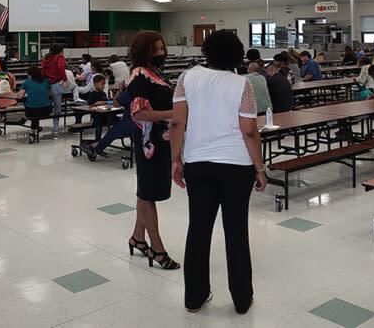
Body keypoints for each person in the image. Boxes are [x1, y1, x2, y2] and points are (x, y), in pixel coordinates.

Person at [169, 29, 266, 314]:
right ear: (237, 55)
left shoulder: (187, 78)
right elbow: (249, 131)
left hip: (198, 165)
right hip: (237, 167)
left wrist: (175, 160)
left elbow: (177, 124)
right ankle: (241, 299)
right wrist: (259, 168)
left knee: (198, 230)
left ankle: (194, 297)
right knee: (236, 232)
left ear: (206, 52)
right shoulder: (242, 84)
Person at [126, 30, 180, 271]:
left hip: (162, 141)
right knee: (148, 194)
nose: (161, 52)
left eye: (162, 48)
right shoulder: (139, 75)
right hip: (150, 144)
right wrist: (172, 114)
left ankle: (138, 238)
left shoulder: (155, 72)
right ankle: (157, 249)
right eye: (155, 49)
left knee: (146, 192)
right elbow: (137, 113)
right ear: (144, 51)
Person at [82, 82, 133, 158]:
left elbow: (116, 103)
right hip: (145, 123)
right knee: (115, 123)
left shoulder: (131, 91)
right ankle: (97, 144)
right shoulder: (148, 89)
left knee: (114, 130)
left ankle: (96, 148)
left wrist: (120, 90)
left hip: (132, 122)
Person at [41, 44, 67, 139]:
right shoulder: (60, 58)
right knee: (57, 108)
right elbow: (61, 68)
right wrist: (65, 80)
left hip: (48, 84)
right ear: (61, 51)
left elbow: (43, 73)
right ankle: (55, 131)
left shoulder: (46, 59)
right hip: (57, 84)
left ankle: (55, 131)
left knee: (54, 106)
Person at [17, 66, 51, 133]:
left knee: (32, 108)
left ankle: (33, 132)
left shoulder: (27, 82)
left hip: (32, 111)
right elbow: (48, 94)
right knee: (36, 108)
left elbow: (20, 97)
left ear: (29, 75)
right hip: (46, 110)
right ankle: (35, 127)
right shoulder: (45, 81)